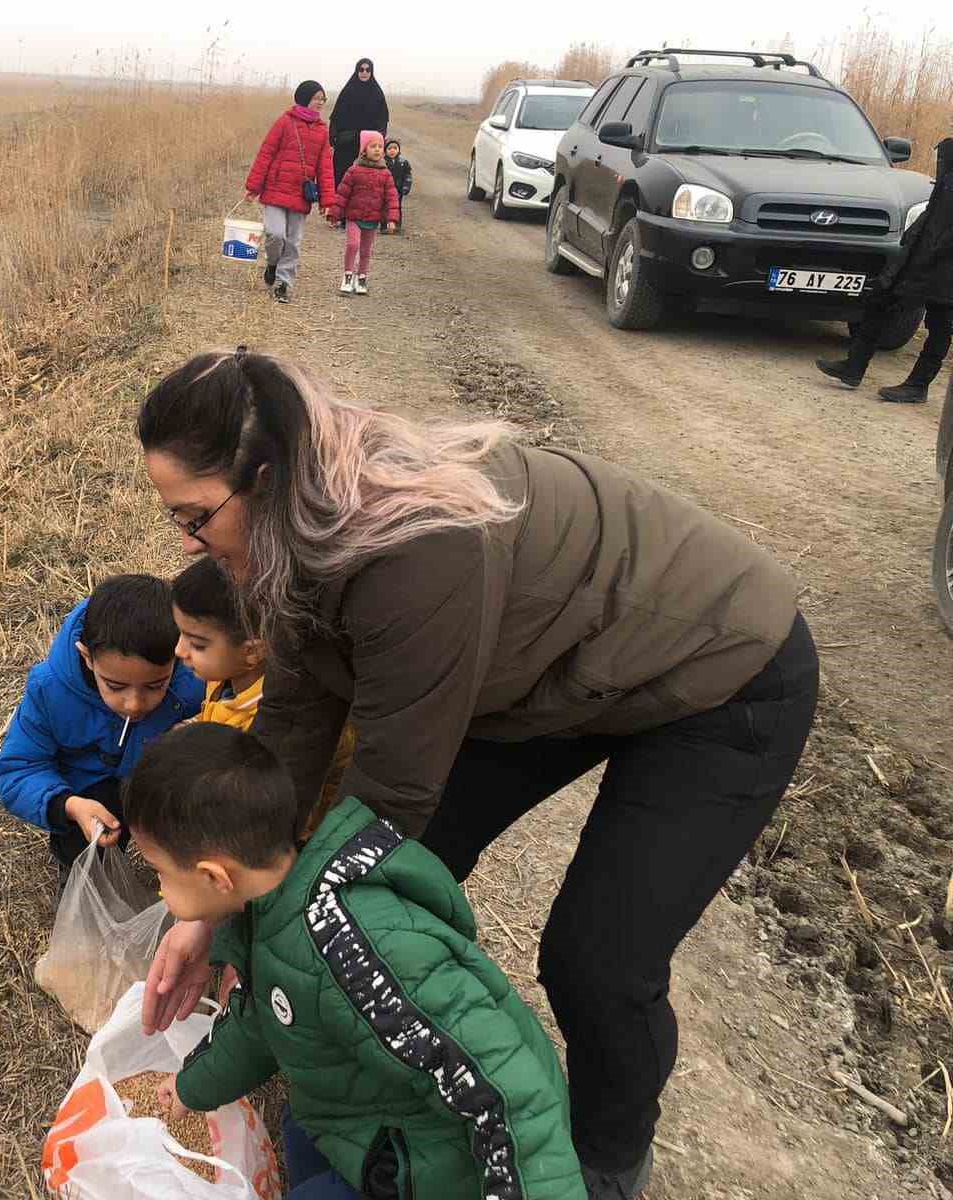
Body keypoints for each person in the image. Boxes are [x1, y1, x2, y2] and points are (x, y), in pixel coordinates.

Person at [137, 349, 819, 1200]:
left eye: (193, 517)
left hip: (719, 669)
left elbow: (388, 799)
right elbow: (293, 726)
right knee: (380, 880)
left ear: (262, 475)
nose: (191, 542)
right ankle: (371, 1077)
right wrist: (219, 909)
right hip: (551, 676)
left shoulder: (412, 551)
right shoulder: (291, 529)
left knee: (595, 956)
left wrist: (263, 924)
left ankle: (607, 1162)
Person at [125, 724, 587, 1200]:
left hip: (441, 1168)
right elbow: (262, 1022)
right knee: (299, 1130)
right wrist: (190, 1088)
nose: (159, 888)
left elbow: (510, 1094)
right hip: (361, 1119)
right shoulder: (268, 912)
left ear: (214, 876)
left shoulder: (355, 950)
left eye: (160, 872)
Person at [0, 573, 203, 888]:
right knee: (85, 845)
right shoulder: (50, 691)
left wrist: (199, 729)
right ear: (86, 657)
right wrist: (69, 806)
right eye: (116, 686)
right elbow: (17, 770)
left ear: (179, 655)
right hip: (90, 797)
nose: (134, 704)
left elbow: (234, 709)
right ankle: (84, 877)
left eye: (155, 685)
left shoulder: (195, 676)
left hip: (159, 778)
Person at [171, 556, 354, 833]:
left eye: (197, 644)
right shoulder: (227, 674)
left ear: (252, 652)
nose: (179, 651)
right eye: (181, 635)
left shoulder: (277, 720)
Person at [817, 136, 953, 402]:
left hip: (944, 265)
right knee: (881, 300)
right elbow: (934, 213)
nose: (938, 162)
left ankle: (918, 385)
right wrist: (912, 240)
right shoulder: (948, 166)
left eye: (941, 159)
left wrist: (934, 253)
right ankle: (853, 367)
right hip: (921, 253)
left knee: (940, 324)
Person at [245, 80, 336, 304]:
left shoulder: (323, 130)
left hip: (300, 194)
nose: (321, 103)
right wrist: (253, 187)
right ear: (305, 98)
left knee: (293, 242)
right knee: (275, 234)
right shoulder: (285, 122)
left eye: (323, 99)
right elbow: (266, 153)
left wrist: (328, 200)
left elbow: (325, 166)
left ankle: (283, 283)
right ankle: (273, 264)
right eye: (317, 98)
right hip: (276, 189)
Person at [327, 132, 399, 295]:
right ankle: (347, 276)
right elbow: (342, 194)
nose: (377, 150)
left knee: (366, 251)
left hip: (372, 219)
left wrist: (392, 218)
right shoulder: (354, 170)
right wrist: (334, 213)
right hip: (354, 217)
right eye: (373, 146)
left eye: (380, 147)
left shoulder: (385, 174)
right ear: (364, 150)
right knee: (353, 245)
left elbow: (392, 197)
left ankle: (361, 277)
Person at [328, 58, 389, 186]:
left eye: (368, 70)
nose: (364, 72)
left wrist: (379, 139)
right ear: (357, 71)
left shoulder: (377, 93)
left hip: (367, 147)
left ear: (371, 72)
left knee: (364, 183)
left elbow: (383, 119)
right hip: (346, 145)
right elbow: (336, 117)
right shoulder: (347, 91)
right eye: (361, 69)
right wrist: (334, 138)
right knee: (341, 181)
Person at [384, 138, 414, 233]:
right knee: (385, 207)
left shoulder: (403, 162)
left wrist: (406, 187)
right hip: (385, 190)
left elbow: (407, 175)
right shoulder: (382, 162)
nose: (392, 150)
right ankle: (384, 225)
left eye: (395, 148)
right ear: (385, 150)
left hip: (398, 190)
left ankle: (397, 225)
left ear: (398, 150)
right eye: (389, 148)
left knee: (397, 207)